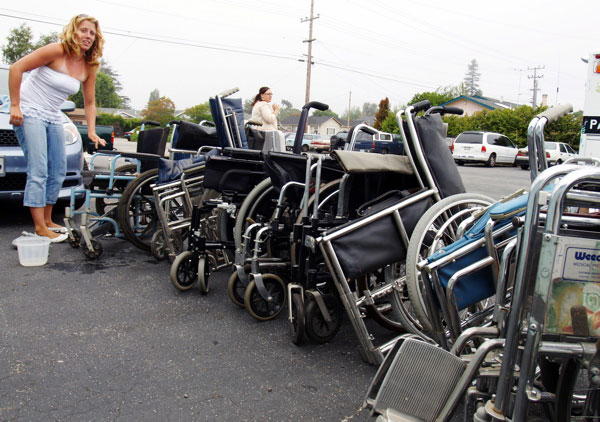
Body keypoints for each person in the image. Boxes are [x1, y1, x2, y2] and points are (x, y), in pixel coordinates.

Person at [9, 14, 106, 243]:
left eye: (92, 33)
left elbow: (89, 103)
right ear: (74, 31)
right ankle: (40, 227)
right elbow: (16, 68)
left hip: (53, 115)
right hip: (30, 110)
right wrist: (15, 105)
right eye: (83, 30)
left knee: (59, 170)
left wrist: (91, 130)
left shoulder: (89, 65)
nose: (88, 36)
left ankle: (48, 220)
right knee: (39, 169)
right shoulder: (56, 50)